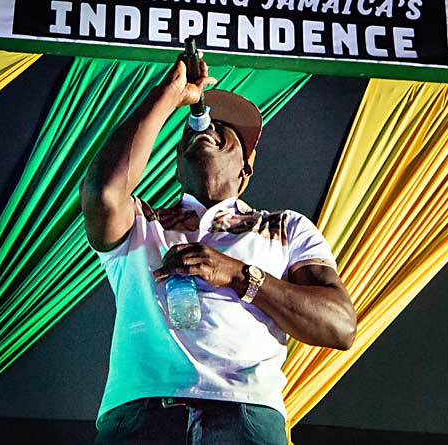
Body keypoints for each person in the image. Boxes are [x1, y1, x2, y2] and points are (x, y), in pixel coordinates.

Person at [80, 54, 356, 445]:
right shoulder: (142, 221)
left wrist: (239, 274)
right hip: (140, 416)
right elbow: (103, 192)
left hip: (245, 416)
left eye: (226, 129)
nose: (206, 125)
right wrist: (168, 97)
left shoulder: (284, 227)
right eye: (195, 126)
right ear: (176, 165)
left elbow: (340, 326)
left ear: (246, 170)